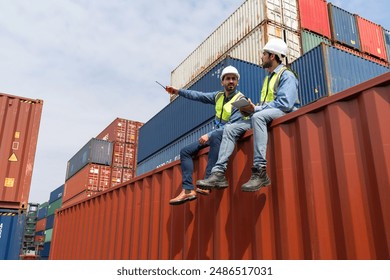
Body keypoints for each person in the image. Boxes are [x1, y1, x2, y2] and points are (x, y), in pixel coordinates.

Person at [196, 38, 298, 192]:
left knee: (257, 117)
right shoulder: (268, 78)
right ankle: (218, 173)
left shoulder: (286, 75)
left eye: (264, 54)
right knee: (230, 128)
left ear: (272, 56)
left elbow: (285, 103)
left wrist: (256, 110)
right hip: (267, 113)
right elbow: (267, 105)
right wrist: (251, 108)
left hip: (285, 112)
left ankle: (260, 171)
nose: (262, 57)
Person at [165, 66, 248, 205]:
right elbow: (198, 95)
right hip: (217, 133)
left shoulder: (240, 99)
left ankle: (209, 181)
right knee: (185, 151)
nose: (231, 81)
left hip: (230, 134)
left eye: (234, 79)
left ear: (237, 82)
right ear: (222, 82)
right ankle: (187, 190)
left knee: (215, 136)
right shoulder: (218, 96)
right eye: (228, 78)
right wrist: (177, 91)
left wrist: (209, 134)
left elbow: (232, 126)